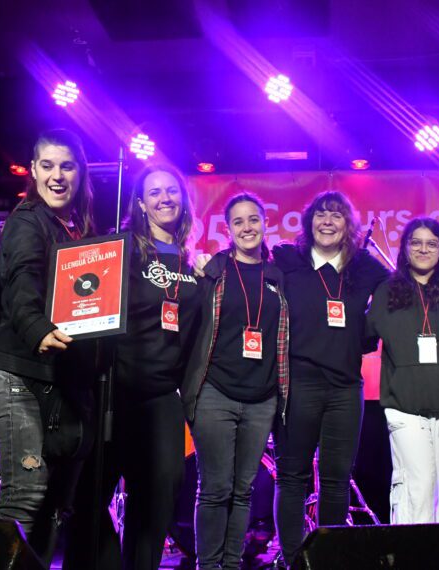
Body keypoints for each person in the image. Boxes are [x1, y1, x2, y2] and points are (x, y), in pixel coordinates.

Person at [65, 165, 200, 569]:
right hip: (113, 391)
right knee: (88, 500)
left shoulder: (195, 266)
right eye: (154, 193)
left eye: (171, 191)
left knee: (156, 505)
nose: (165, 199)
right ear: (140, 203)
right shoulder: (120, 249)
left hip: (162, 398)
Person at [0, 128, 97, 563]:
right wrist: (36, 328)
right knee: (26, 494)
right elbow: (21, 280)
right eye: (47, 166)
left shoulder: (78, 230)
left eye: (66, 166)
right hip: (19, 376)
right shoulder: (27, 220)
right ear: (33, 170)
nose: (57, 176)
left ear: (80, 171)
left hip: (64, 383)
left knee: (55, 506)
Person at [271, 191, 389, 565]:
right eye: (320, 214)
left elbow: (398, 292)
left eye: (336, 215)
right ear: (308, 222)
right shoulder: (288, 259)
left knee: (337, 480)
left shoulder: (366, 268)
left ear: (348, 225)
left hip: (345, 387)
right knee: (292, 476)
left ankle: (327, 560)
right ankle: (292, 560)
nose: (327, 221)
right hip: (299, 384)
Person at [181, 192, 289, 570]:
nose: (247, 227)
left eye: (254, 219)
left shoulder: (278, 276)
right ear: (228, 229)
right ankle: (208, 566)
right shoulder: (212, 272)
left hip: (262, 399)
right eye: (239, 222)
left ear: (265, 223)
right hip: (216, 394)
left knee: (242, 492)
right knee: (215, 489)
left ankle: (230, 565)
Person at [365, 216, 439, 524]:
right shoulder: (386, 293)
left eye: (431, 243)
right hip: (404, 408)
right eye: (415, 242)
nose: (423, 249)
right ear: (404, 248)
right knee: (415, 489)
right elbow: (362, 339)